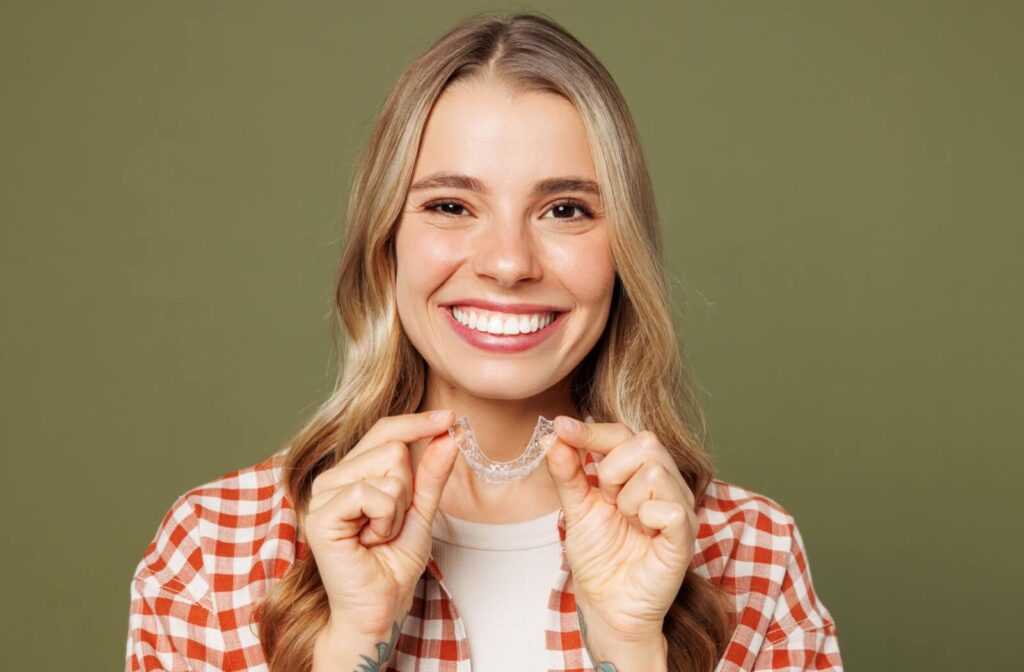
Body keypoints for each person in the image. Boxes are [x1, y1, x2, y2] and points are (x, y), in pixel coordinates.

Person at [125, 11, 842, 672]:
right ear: (387, 245)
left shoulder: (752, 552)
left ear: (623, 252)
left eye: (564, 209)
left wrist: (630, 649)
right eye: (449, 205)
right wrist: (349, 645)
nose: (507, 263)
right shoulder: (213, 550)